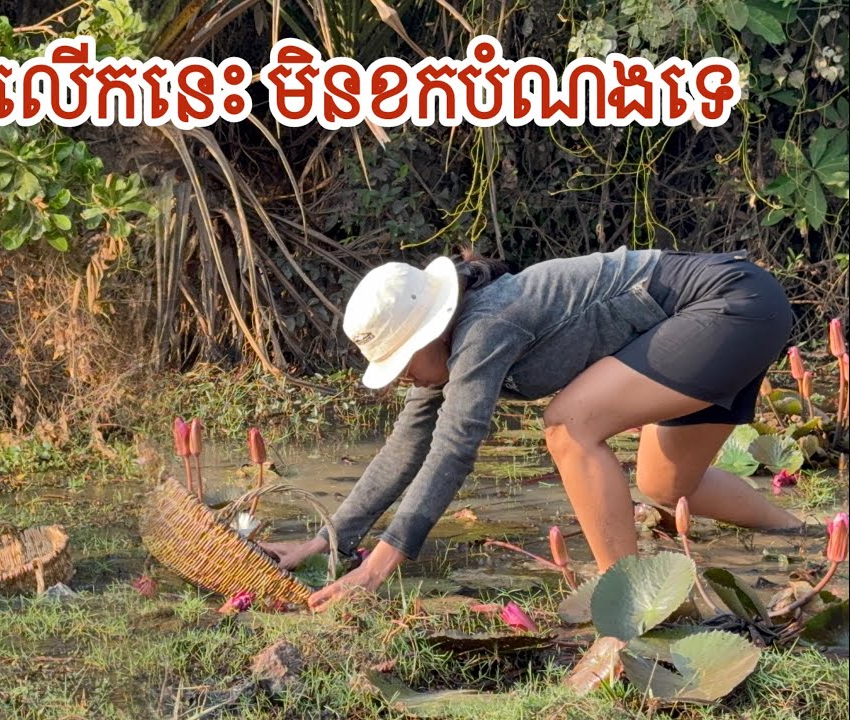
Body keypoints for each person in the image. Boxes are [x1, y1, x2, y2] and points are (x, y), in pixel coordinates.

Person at [261, 247, 805, 610]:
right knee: (665, 486)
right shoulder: (451, 347)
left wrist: (377, 568)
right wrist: (328, 541)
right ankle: (802, 532)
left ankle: (625, 605)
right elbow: (408, 446)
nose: (403, 376)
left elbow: (453, 449)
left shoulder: (486, 326)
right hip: (736, 311)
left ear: (431, 330)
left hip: (730, 304)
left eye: (402, 360)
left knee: (569, 426)